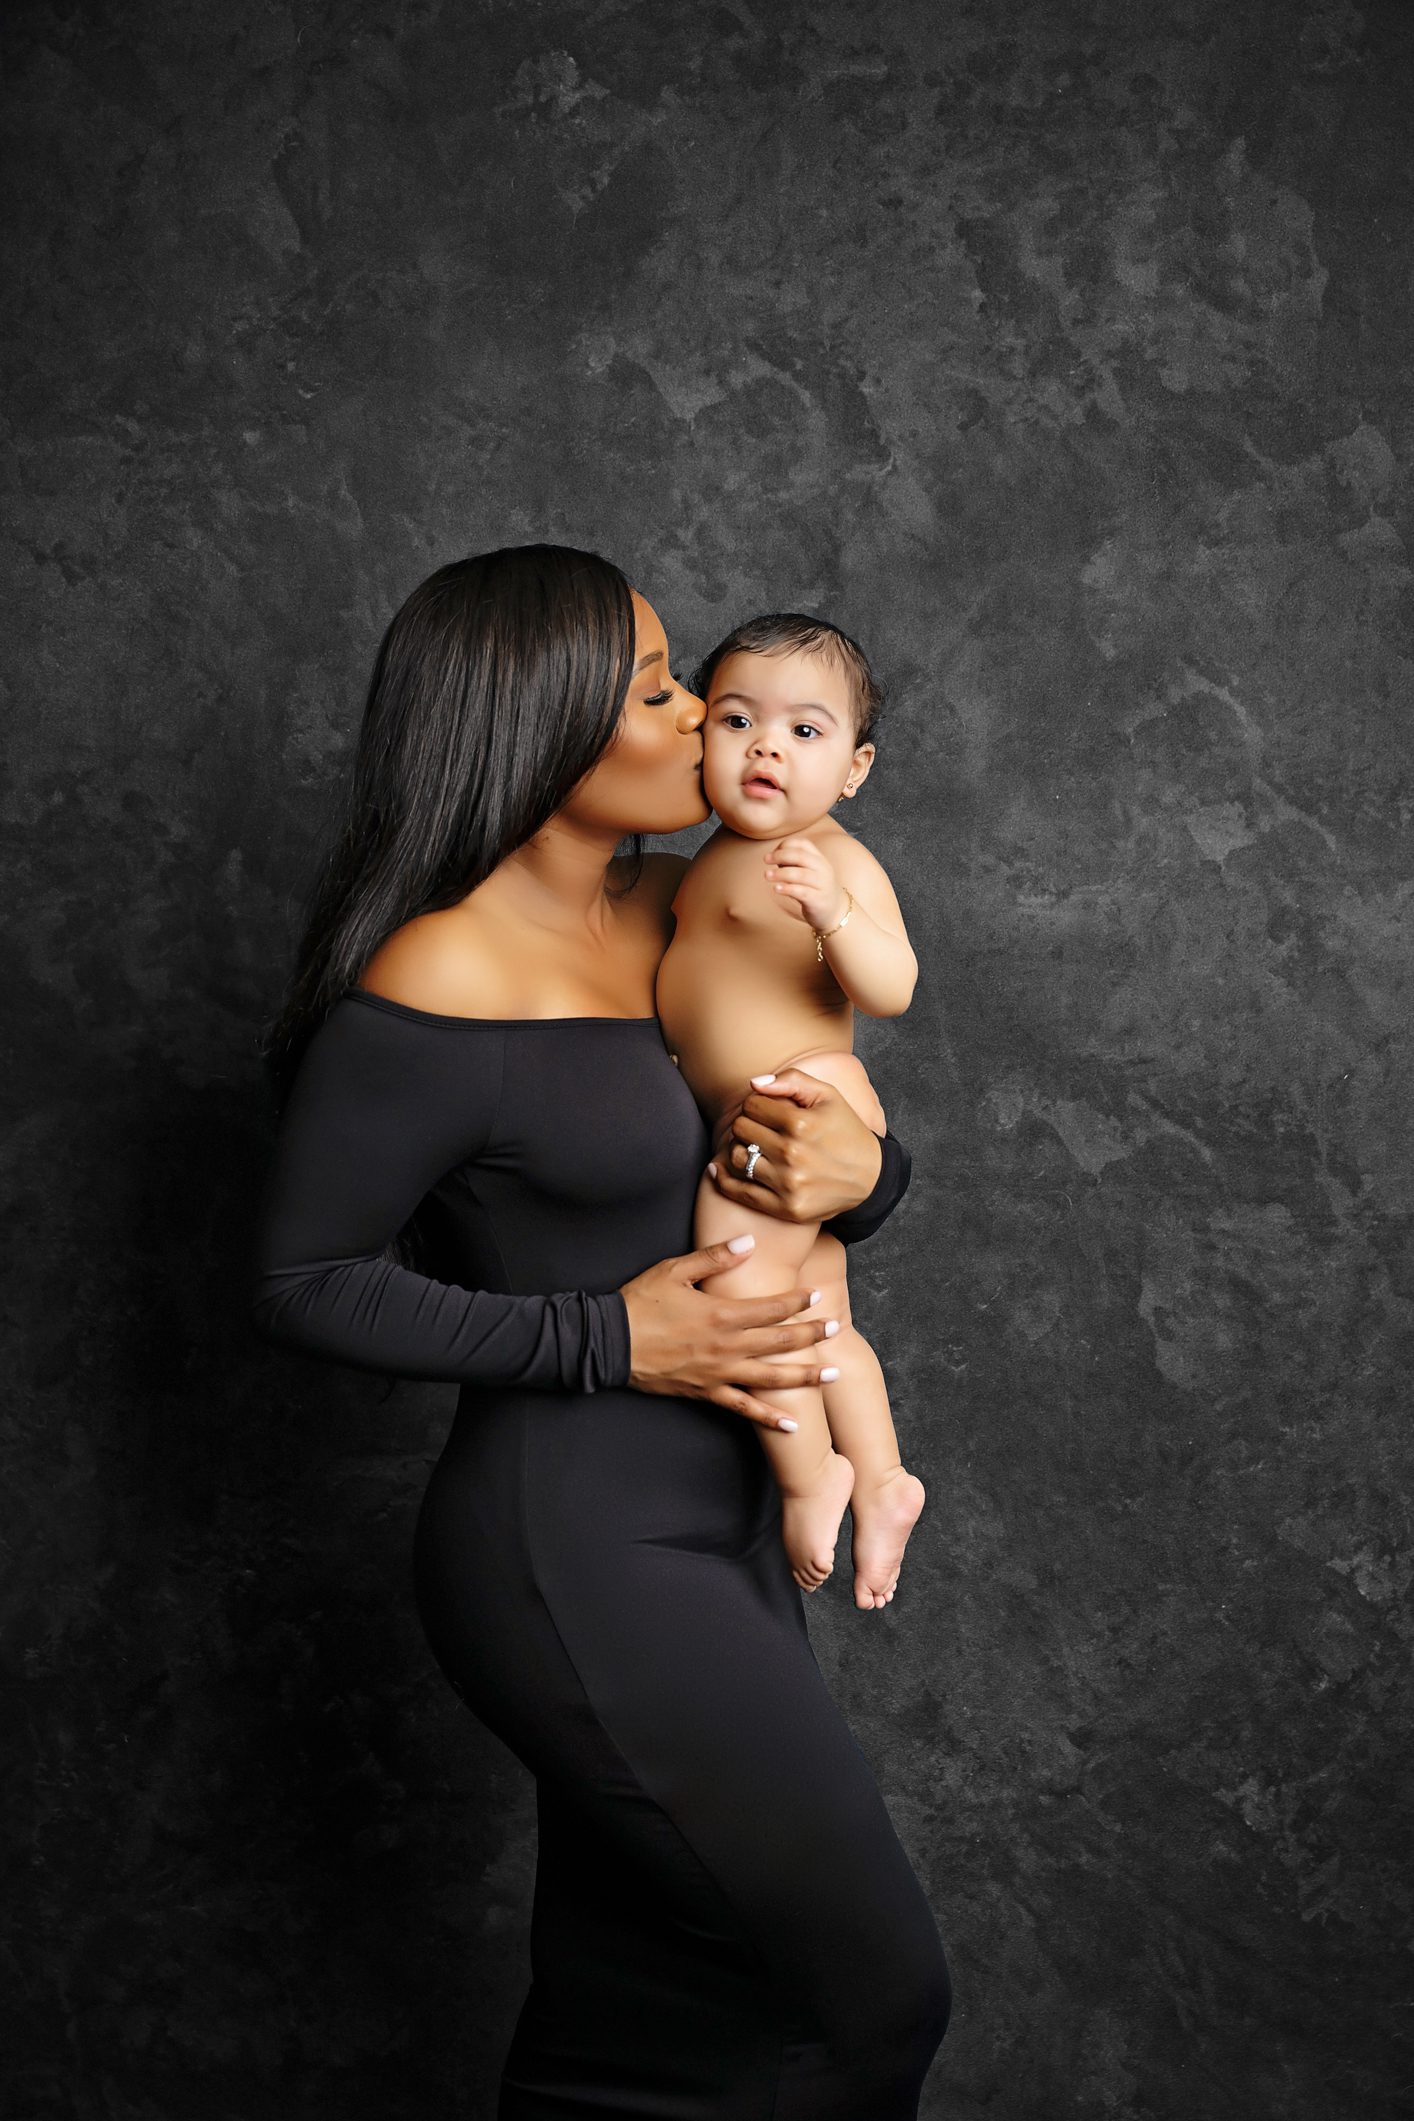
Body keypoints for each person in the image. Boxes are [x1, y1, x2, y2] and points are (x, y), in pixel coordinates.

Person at [252, 544, 950, 2118]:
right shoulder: (430, 982)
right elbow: (302, 1282)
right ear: (541, 727)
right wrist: (604, 1339)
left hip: (711, 1518)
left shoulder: (678, 902)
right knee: (867, 1998)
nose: (702, 705)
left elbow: (780, 1142)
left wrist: (872, 1173)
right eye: (652, 688)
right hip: (574, 1544)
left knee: (654, 2017)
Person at [657, 612, 928, 1611]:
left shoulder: (827, 859)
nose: (767, 745)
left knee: (738, 1297)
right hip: (769, 1102)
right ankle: (888, 1478)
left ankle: (812, 1475)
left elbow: (892, 985)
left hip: (792, 1104)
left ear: (853, 771)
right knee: (817, 1319)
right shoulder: (697, 865)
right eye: (736, 720)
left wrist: (835, 916)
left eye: (805, 732)